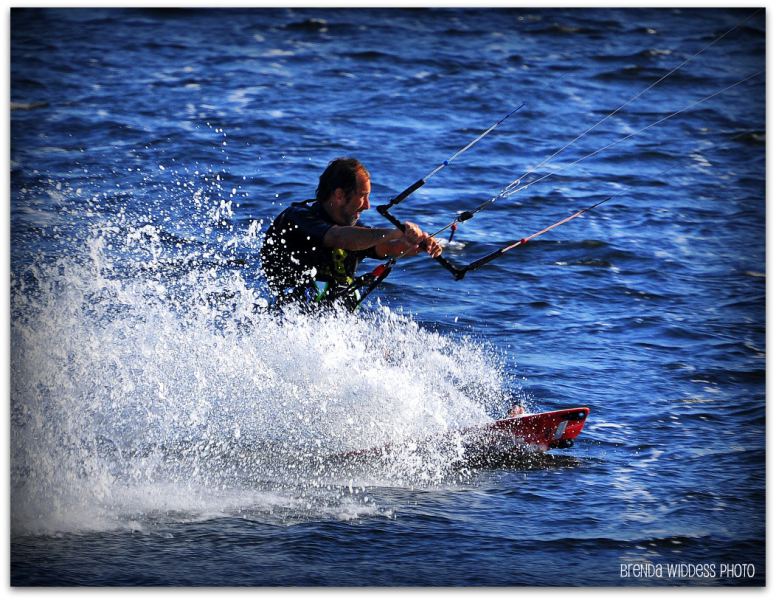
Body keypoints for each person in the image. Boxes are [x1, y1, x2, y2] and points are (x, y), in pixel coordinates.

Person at [261, 157, 442, 309]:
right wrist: (395, 232)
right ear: (339, 195)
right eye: (363, 196)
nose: (367, 205)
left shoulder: (356, 230)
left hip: (336, 325)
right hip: (291, 320)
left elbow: (386, 247)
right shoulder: (298, 218)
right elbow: (339, 237)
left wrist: (417, 243)